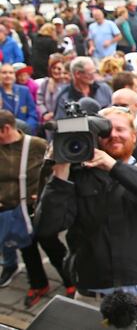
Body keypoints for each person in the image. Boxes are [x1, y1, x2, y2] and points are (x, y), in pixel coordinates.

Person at [36, 107, 137, 311]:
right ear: (96, 138)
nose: (114, 136)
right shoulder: (77, 176)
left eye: (121, 129)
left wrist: (113, 166)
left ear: (134, 136)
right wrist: (60, 172)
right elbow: (47, 226)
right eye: (107, 131)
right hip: (92, 296)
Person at [0, 110, 75, 306]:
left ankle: (71, 281)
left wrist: (43, 193)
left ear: (5, 129)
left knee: (51, 244)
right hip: (12, 210)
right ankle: (38, 284)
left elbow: (58, 171)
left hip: (37, 207)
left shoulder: (36, 145)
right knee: (26, 247)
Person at [0, 64, 38, 134]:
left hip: (23, 133)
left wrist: (26, 127)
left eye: (11, 73)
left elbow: (33, 114)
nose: (8, 75)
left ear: (14, 75)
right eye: (4, 73)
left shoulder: (24, 91)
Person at [36, 55, 69, 128]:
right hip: (49, 122)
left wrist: (55, 114)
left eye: (59, 69)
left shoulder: (68, 84)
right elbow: (39, 101)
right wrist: (44, 113)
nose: (56, 71)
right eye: (54, 68)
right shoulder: (45, 83)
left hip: (64, 121)